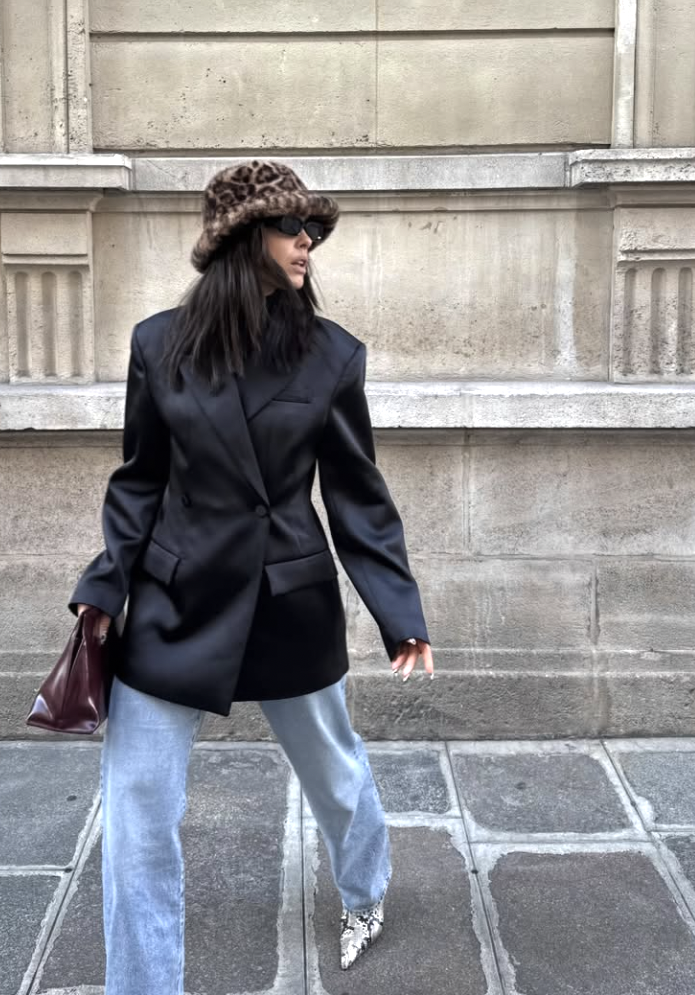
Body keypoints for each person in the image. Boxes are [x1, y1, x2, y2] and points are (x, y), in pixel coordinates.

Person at [69, 158, 434, 994]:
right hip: (176, 602)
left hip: (285, 600)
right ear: (243, 241)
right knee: (136, 813)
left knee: (335, 774)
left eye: (313, 230)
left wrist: (398, 611)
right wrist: (104, 587)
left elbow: (357, 495)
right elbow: (139, 481)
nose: (308, 242)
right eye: (292, 227)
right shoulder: (158, 344)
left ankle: (365, 890)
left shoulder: (331, 356)